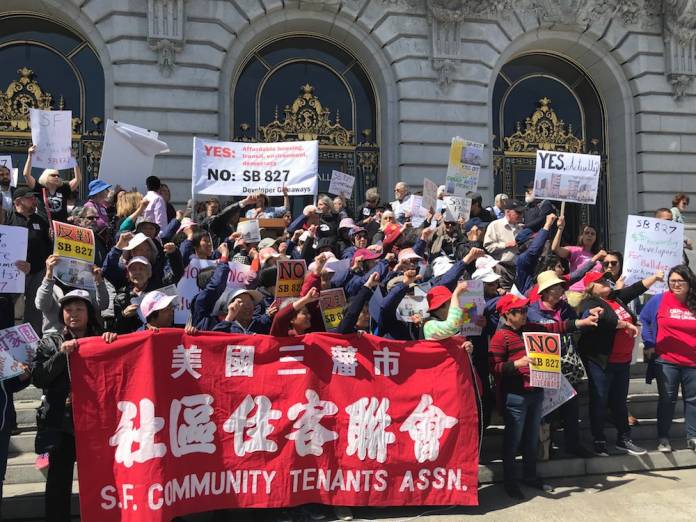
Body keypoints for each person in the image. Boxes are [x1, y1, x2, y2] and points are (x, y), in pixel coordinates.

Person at [489, 293, 600, 499]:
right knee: (513, 442)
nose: (524, 315)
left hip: (536, 393)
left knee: (532, 440)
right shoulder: (500, 337)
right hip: (515, 396)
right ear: (506, 315)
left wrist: (582, 321)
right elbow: (494, 367)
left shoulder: (532, 328)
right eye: (518, 312)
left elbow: (556, 328)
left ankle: (530, 476)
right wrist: (516, 364)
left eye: (524, 310)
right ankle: (510, 481)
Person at [31, 289, 117, 522]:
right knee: (59, 483)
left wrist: (110, 344)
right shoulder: (50, 342)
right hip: (61, 423)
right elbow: (38, 377)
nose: (74, 314)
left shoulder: (103, 339)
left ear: (90, 313)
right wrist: (61, 355)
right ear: (62, 314)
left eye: (80, 309)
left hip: (97, 422)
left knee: (102, 479)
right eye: (68, 310)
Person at [577, 269, 663, 456]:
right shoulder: (589, 302)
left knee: (619, 401)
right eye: (601, 281)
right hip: (602, 361)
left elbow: (636, 289)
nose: (606, 283)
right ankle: (599, 439)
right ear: (591, 287)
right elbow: (603, 319)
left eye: (606, 280)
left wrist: (656, 277)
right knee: (599, 401)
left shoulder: (616, 298)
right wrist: (625, 325)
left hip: (622, 360)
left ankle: (624, 439)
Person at [526, 270, 593, 458]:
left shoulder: (565, 308)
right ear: (545, 291)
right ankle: (545, 447)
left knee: (571, 406)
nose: (560, 289)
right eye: (556, 287)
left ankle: (573, 444)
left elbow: (577, 320)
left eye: (561, 286)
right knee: (546, 408)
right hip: (544, 366)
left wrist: (590, 313)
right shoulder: (532, 311)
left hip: (567, 366)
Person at [640, 265, 696, 453]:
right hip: (666, 360)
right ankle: (663, 438)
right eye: (672, 281)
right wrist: (649, 343)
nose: (676, 284)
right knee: (667, 400)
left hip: (693, 362)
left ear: (689, 283)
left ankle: (692, 437)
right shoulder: (659, 300)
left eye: (681, 281)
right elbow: (645, 318)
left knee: (693, 400)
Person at [1, 187, 51, 334]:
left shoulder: (40, 221)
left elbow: (47, 248)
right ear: (18, 201)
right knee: (8, 307)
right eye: (29, 198)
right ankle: (7, 340)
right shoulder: (7, 218)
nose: (33, 201)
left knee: (35, 309)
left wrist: (37, 266)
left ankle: (33, 342)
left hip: (36, 272)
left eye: (34, 198)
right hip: (12, 273)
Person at [551, 217, 603, 308]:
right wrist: (560, 229)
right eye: (586, 233)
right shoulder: (575, 250)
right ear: (581, 236)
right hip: (576, 294)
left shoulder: (599, 255)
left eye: (592, 234)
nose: (589, 235)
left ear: (596, 238)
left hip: (594, 296)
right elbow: (555, 248)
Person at [22, 144, 81, 223]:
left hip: (61, 226)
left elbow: (78, 179)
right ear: (46, 177)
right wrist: (30, 156)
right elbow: (26, 174)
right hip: (44, 226)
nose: (56, 177)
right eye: (53, 175)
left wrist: (73, 159)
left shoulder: (63, 189)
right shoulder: (39, 188)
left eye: (58, 175)